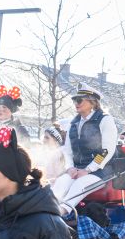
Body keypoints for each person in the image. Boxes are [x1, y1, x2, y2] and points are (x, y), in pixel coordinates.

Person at [50, 83, 118, 215]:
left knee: (79, 185)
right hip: (77, 169)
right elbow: (68, 150)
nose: (76, 103)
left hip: (100, 171)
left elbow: (106, 151)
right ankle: (48, 210)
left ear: (92, 102)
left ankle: (61, 212)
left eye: (79, 100)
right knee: (61, 183)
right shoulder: (73, 123)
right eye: (74, 100)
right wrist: (70, 168)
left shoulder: (105, 120)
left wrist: (88, 170)